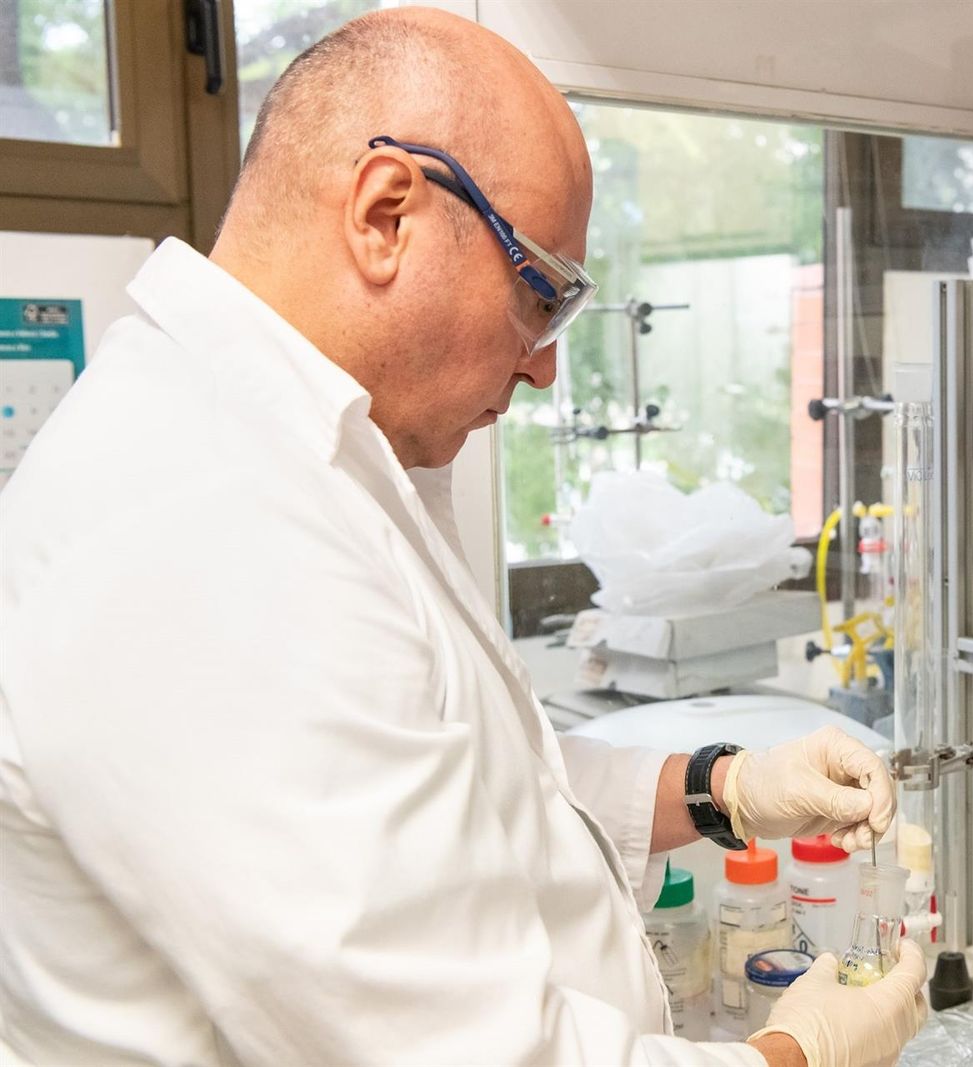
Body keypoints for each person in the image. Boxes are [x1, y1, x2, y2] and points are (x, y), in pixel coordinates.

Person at [0, 10, 925, 1066]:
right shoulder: (205, 515)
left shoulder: (289, 451)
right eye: (541, 292)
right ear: (384, 213)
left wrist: (724, 787)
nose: (545, 366)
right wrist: (800, 1054)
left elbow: (477, 784)